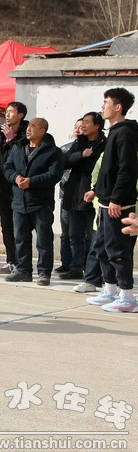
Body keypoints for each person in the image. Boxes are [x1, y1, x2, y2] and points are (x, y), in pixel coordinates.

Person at [83, 88, 138, 313]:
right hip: (106, 202)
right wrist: (96, 191)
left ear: (118, 107)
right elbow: (109, 169)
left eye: (106, 102)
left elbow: (127, 170)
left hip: (118, 204)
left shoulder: (125, 133)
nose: (102, 106)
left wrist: (117, 198)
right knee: (102, 248)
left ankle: (127, 297)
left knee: (118, 250)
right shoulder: (114, 132)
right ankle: (110, 290)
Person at [2, 118, 63, 285]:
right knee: (20, 238)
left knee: (43, 240)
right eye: (28, 126)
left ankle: (44, 272)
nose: (28, 129)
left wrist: (32, 181)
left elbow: (54, 174)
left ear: (42, 131)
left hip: (40, 203)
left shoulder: (53, 152)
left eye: (33, 127)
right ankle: (23, 270)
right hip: (19, 202)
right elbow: (7, 168)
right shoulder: (18, 147)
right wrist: (16, 178)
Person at [60, 113, 104, 281]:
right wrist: (81, 155)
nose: (83, 126)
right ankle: (76, 267)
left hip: (92, 193)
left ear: (97, 125)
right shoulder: (79, 143)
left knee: (93, 236)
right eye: (81, 122)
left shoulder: (104, 143)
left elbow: (101, 169)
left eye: (86, 122)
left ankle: (95, 270)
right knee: (75, 235)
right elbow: (65, 161)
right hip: (74, 193)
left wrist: (96, 190)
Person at [0, 101, 28, 275]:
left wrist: (12, 140)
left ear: (21, 115)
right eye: (6, 111)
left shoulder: (27, 133)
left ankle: (23, 262)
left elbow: (22, 158)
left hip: (19, 186)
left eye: (11, 111)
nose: (7, 115)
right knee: (6, 224)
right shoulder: (1, 133)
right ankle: (11, 260)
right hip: (1, 187)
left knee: (20, 225)